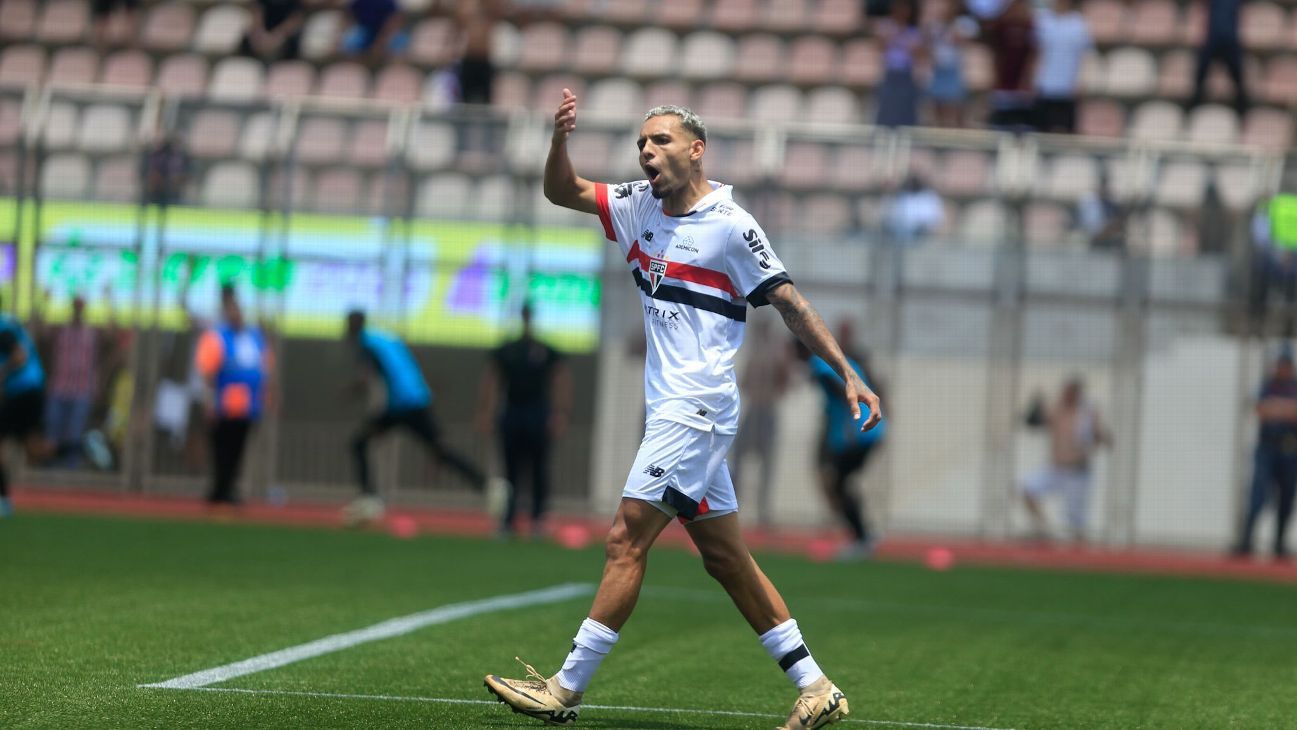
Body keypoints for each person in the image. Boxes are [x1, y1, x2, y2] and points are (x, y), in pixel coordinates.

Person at [483, 94, 882, 729]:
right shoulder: (639, 205)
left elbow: (789, 302)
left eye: (661, 141)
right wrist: (559, 140)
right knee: (726, 559)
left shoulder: (731, 224)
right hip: (679, 411)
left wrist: (848, 373)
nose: (647, 152)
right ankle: (816, 687)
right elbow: (563, 192)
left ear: (696, 150)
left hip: (696, 408)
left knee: (624, 537)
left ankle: (565, 688)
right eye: (642, 143)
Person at [343, 310, 497, 524]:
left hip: (402, 406)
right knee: (439, 450)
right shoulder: (385, 339)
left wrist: (350, 392)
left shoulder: (367, 344)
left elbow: (369, 376)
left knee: (359, 444)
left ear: (354, 325)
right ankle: (488, 487)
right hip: (416, 400)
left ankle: (370, 499)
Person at [475, 302, 571, 538]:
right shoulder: (508, 350)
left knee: (539, 468)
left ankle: (538, 519)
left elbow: (561, 379)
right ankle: (507, 520)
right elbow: (491, 380)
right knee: (510, 469)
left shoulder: (545, 350)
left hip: (538, 413)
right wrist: (486, 411)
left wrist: (559, 413)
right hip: (512, 412)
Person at [796, 339, 888, 560]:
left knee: (838, 484)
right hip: (868, 431)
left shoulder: (818, 366)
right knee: (841, 483)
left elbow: (840, 390)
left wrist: (847, 424)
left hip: (858, 434)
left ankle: (861, 538)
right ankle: (863, 534)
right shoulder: (840, 361)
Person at [194, 288, 273, 506]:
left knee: (238, 451)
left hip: (249, 407)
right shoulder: (217, 336)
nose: (236, 314)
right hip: (224, 406)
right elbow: (208, 372)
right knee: (222, 450)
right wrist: (209, 401)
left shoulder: (254, 337)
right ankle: (219, 489)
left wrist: (268, 397)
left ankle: (229, 488)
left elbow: (265, 369)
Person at [1020, 377, 1110, 543]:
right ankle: (1043, 529)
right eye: (1065, 392)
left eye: (1070, 392)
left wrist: (1099, 438)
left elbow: (1100, 437)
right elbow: (1032, 422)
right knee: (1027, 488)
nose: (1066, 395)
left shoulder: (1087, 414)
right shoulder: (1057, 409)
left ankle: (1080, 550)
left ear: (1077, 394)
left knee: (1075, 520)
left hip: (1077, 473)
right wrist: (1036, 402)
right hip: (1055, 469)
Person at [35, 292, 119, 468]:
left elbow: (111, 334)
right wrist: (44, 302)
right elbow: (41, 331)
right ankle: (51, 468)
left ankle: (69, 470)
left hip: (81, 390)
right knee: (52, 433)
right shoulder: (61, 331)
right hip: (59, 388)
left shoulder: (91, 333)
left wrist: (108, 300)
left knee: (74, 434)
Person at [1233, 349, 1297, 560]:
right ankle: (1246, 541)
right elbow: (1259, 409)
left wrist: (1277, 408)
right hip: (1267, 448)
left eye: (1286, 365)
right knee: (1258, 495)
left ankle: (1279, 544)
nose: (1282, 369)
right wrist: (1284, 409)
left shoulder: (1293, 387)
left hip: (1289, 450)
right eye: (1280, 365)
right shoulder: (1267, 385)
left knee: (1286, 497)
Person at [731, 318, 793, 527]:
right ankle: (732, 506)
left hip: (768, 411)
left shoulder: (777, 352)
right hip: (753, 410)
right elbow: (744, 382)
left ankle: (763, 510)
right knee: (737, 456)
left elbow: (786, 378)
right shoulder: (754, 353)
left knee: (767, 464)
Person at [0, 309, 52, 517]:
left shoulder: (3, 330)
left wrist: (2, 374)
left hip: (23, 393)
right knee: (33, 450)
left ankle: (3, 500)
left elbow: (19, 356)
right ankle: (77, 446)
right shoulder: (9, 323)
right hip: (31, 391)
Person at [1032, 0, 1092, 134]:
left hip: (1068, 86)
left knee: (1067, 129)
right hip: (1043, 85)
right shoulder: (1042, 21)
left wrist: (1081, 81)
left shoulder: (1079, 24)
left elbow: (1085, 56)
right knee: (1041, 128)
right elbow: (1035, 53)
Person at [983, 0, 1037, 131]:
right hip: (1003, 80)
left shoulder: (1030, 26)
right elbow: (994, 52)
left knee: (1021, 123)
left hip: (1022, 82)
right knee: (1001, 122)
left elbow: (1033, 55)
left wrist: (1028, 80)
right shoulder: (1001, 25)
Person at [1189, 0, 1248, 115]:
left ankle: (1242, 105)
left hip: (1229, 38)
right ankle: (1195, 103)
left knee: (1237, 75)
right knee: (1201, 72)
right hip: (1213, 38)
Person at [925, 0, 977, 128]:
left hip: (954, 67)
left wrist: (952, 30)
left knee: (956, 103)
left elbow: (964, 41)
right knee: (938, 103)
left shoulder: (963, 23)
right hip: (938, 68)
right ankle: (938, 131)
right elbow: (928, 45)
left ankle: (959, 130)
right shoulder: (934, 25)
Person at [874, 0, 925, 128]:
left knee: (905, 107)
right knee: (887, 106)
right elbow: (879, 46)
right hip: (890, 72)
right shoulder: (885, 27)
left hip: (906, 73)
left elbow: (919, 53)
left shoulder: (913, 31)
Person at [335, 0, 408, 64]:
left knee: (398, 45)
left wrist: (380, 43)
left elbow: (393, 23)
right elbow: (348, 16)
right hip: (366, 31)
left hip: (388, 34)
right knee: (350, 43)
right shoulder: (359, 2)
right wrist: (339, 37)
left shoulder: (389, 3)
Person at [238, 0, 305, 63]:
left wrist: (278, 35)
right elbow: (256, 10)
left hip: (286, 41)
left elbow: (296, 17)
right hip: (261, 36)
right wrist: (258, 34)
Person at [1076, 172, 1126, 251]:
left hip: (1107, 239)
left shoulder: (1111, 203)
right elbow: (1090, 225)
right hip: (1095, 238)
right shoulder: (1088, 202)